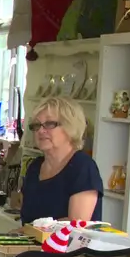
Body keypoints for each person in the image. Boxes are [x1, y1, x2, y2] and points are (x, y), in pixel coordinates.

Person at [20, 96, 102, 224]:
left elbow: (75, 226)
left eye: (49, 124)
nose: (41, 131)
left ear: (70, 127)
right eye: (37, 125)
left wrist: (27, 231)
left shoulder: (82, 167)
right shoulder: (35, 167)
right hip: (33, 243)